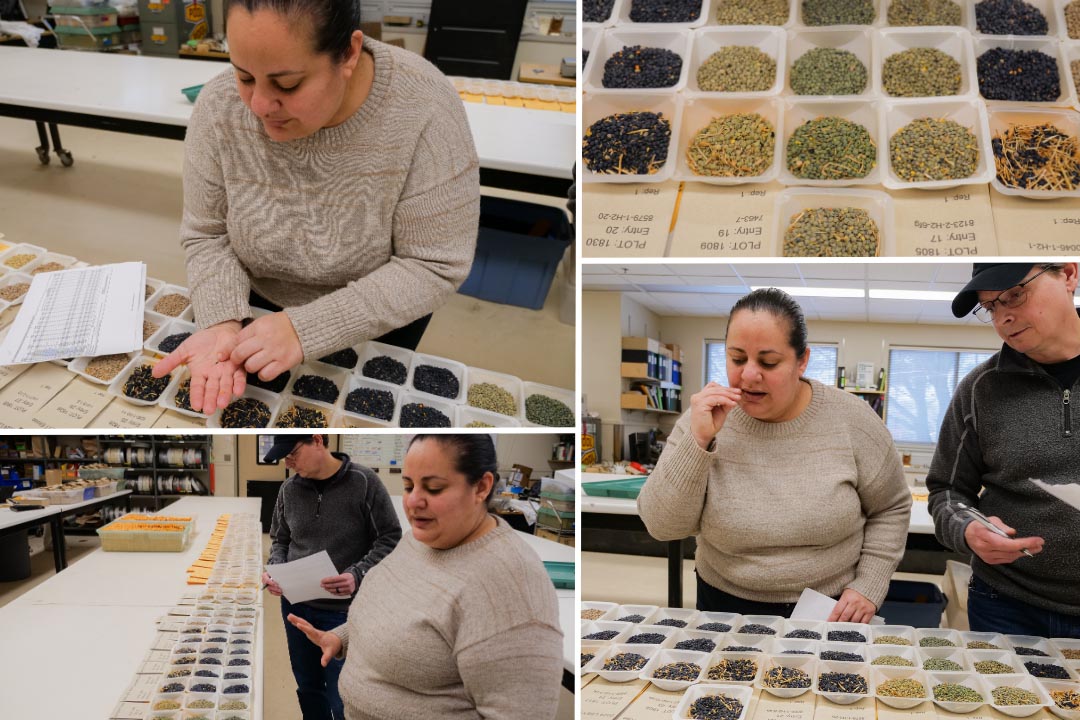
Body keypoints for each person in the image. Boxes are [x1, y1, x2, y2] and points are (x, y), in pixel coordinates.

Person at [154, 0, 481, 414]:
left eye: (287, 84)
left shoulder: (423, 105)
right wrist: (221, 321)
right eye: (244, 75)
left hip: (375, 320)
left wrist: (306, 328)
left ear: (348, 53)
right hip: (253, 310)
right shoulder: (220, 105)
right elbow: (208, 233)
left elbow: (434, 264)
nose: (257, 105)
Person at [637, 288, 912, 623]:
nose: (749, 374)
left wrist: (869, 584)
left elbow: (892, 506)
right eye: (737, 359)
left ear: (802, 361)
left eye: (768, 362)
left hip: (829, 611)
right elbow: (663, 525)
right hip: (723, 606)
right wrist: (698, 442)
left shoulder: (852, 420)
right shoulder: (703, 419)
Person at [287, 434, 563, 719]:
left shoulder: (511, 585)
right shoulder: (422, 539)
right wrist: (344, 637)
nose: (413, 501)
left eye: (433, 488)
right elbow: (402, 610)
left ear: (481, 487)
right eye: (408, 485)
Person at [927, 262, 1080, 638]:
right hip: (1006, 603)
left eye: (1014, 295)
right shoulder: (981, 388)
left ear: (1068, 275)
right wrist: (967, 530)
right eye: (991, 307)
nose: (1004, 317)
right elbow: (946, 491)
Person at [263, 433, 402, 720]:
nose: (288, 463)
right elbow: (280, 539)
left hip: (345, 614)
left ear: (317, 440)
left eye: (292, 453)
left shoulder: (364, 483)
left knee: (344, 695)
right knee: (308, 686)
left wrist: (357, 574)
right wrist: (276, 569)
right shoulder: (289, 489)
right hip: (296, 608)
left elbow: (389, 538)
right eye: (283, 458)